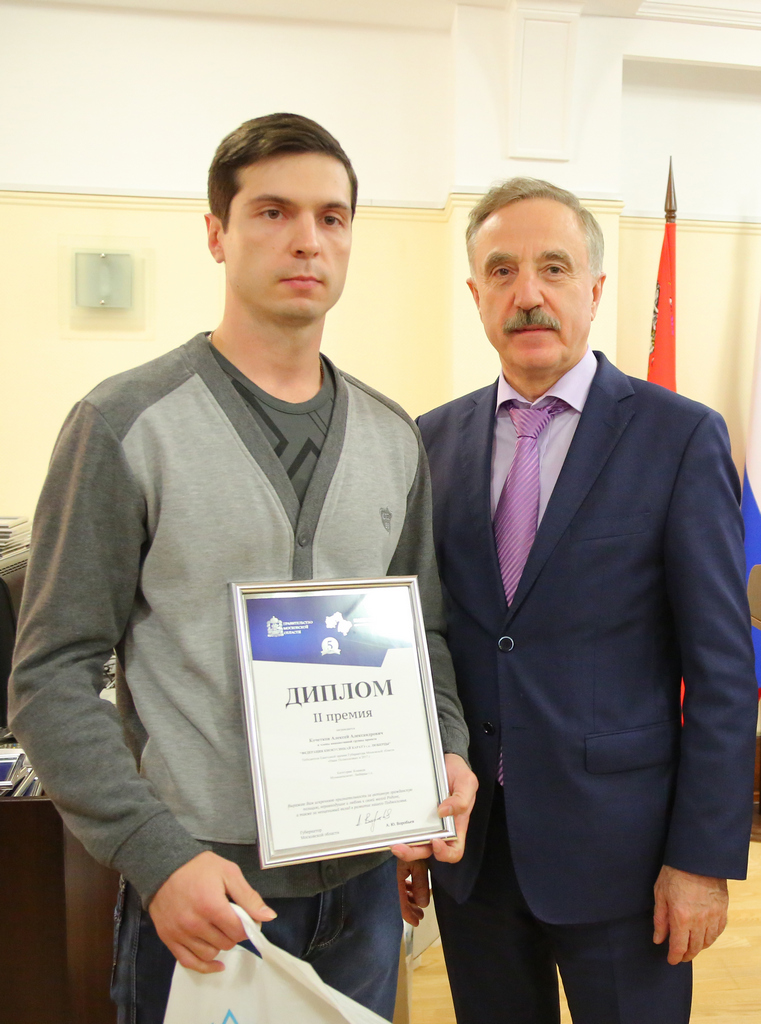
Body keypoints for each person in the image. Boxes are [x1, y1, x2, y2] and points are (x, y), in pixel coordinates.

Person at [9, 113, 476, 1024]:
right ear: (216, 233)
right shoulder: (125, 424)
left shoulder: (392, 437)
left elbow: (422, 635)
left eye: (332, 217)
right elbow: (50, 677)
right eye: (272, 212)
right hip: (204, 885)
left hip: (365, 884)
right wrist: (157, 857)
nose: (307, 239)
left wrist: (444, 750)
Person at [400, 177, 759, 1023]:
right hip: (473, 855)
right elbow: (421, 644)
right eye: (502, 270)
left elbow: (719, 669)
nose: (527, 293)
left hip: (625, 863)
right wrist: (404, 816)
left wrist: (701, 859)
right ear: (475, 294)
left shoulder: (678, 436)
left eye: (553, 268)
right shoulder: (428, 440)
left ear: (594, 289)